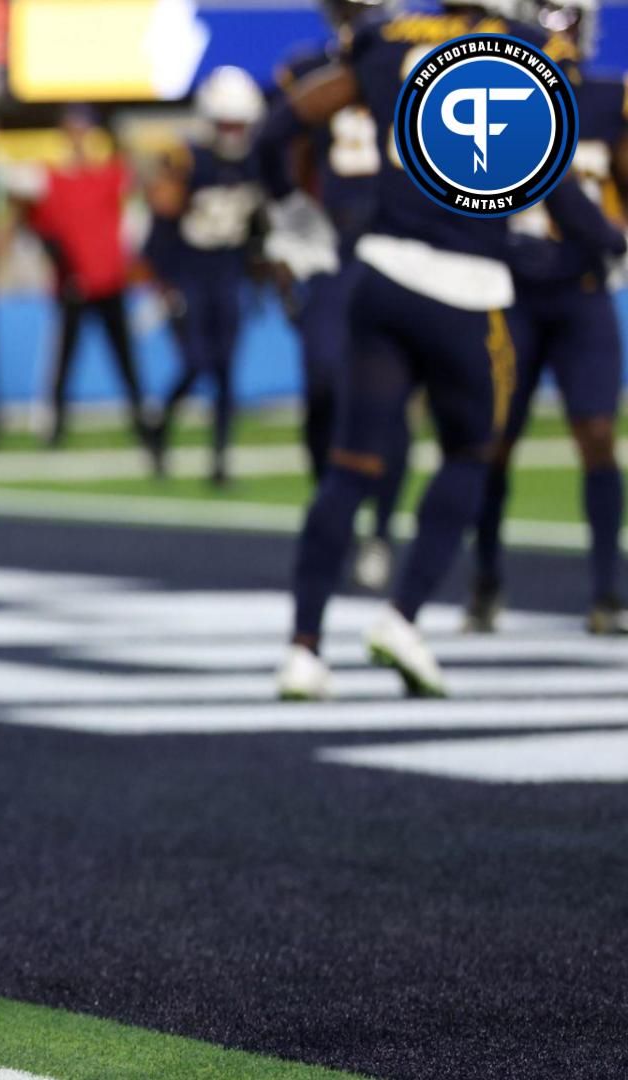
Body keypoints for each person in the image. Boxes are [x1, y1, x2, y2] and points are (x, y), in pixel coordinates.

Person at [273, 0, 618, 700]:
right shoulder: (518, 49)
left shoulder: (383, 39)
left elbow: (277, 130)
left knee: (348, 466)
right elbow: (555, 188)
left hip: (382, 268)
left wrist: (292, 212)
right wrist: (610, 241)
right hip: (468, 289)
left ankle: (303, 650)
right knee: (469, 454)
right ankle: (402, 619)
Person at [470, 0, 628, 635]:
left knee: (596, 435)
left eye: (566, 15)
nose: (558, 28)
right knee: (494, 443)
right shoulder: (496, 89)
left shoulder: (610, 96)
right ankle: (484, 578)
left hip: (581, 288)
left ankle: (607, 590)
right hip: (511, 290)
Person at [265, 0, 407, 591]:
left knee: (393, 399)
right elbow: (283, 148)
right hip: (333, 244)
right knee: (323, 386)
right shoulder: (308, 69)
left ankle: (380, 525)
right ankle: (335, 505)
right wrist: (291, 225)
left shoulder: (412, 57)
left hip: (400, 238)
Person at [146, 67, 266, 486]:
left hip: (229, 273)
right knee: (197, 362)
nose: (233, 131)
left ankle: (219, 461)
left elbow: (259, 228)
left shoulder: (257, 161)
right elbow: (161, 226)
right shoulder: (187, 160)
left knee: (227, 371)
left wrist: (263, 274)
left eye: (239, 123)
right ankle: (159, 427)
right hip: (192, 274)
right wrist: (163, 282)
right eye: (227, 123)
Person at [26, 106, 154, 451]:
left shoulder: (111, 174)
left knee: (126, 360)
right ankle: (54, 426)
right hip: (73, 286)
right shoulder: (52, 177)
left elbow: (136, 207)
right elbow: (43, 230)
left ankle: (143, 423)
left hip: (109, 281)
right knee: (64, 361)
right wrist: (66, 272)